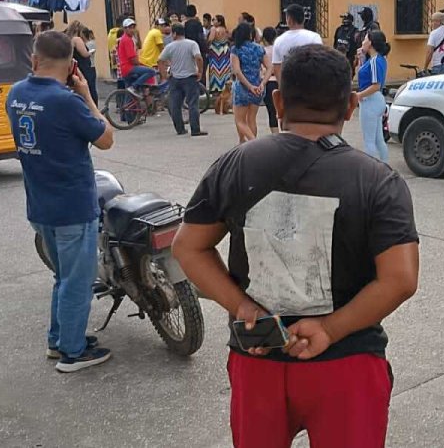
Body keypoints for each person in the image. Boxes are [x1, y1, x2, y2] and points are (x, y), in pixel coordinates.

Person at [172, 44, 419, 448]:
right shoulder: (378, 181)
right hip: (347, 362)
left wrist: (242, 306)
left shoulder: (234, 164)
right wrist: (329, 328)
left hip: (259, 356)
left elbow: (189, 248)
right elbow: (401, 279)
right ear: (352, 106)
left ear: (279, 101)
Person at [6, 31, 116, 373]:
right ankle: (72, 351)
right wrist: (86, 95)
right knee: (77, 282)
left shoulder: (16, 94)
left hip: (40, 205)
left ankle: (58, 340)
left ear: (34, 60)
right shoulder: (66, 101)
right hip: (72, 206)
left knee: (63, 277)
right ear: (72, 65)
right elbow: (106, 139)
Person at [157, 24, 207, 137]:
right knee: (192, 104)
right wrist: (200, 71)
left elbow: (160, 60)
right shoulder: (192, 44)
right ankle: (195, 129)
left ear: (174, 34)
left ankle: (180, 129)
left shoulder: (170, 46)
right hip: (190, 77)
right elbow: (198, 57)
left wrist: (164, 75)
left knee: (175, 105)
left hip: (175, 79)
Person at [230, 22, 269, 143]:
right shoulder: (259, 48)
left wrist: (249, 86)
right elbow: (270, 67)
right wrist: (262, 83)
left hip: (243, 88)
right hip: (258, 87)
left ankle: (253, 142)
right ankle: (243, 143)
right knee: (251, 119)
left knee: (240, 120)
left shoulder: (236, 49)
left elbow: (237, 71)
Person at [355, 30, 390, 163]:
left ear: (370, 43)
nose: (363, 42)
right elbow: (364, 76)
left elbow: (375, 85)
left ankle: (372, 170)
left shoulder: (375, 61)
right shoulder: (379, 59)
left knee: (369, 140)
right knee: (378, 139)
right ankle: (384, 166)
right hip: (376, 99)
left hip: (371, 100)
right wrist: (361, 58)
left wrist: (359, 95)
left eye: (365, 39)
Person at [271, 3, 323, 83]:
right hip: (310, 84)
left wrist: (281, 87)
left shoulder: (279, 40)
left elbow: (277, 67)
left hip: (289, 86)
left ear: (289, 19)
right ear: (303, 19)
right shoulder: (314, 37)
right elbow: (320, 63)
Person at [116, 18, 156, 91]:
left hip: (125, 69)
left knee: (131, 98)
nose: (132, 30)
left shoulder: (128, 38)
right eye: (129, 28)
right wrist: (141, 64)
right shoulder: (127, 40)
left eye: (133, 27)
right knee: (151, 71)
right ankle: (134, 86)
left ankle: (132, 92)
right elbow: (132, 59)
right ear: (125, 29)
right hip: (129, 68)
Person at [65, 21, 98, 104]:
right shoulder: (77, 39)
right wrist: (91, 52)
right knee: (90, 89)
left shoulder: (68, 39)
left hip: (76, 67)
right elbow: (84, 54)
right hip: (84, 68)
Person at [207, 15, 232, 115]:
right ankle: (225, 91)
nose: (213, 21)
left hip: (216, 53)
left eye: (214, 20)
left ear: (219, 21)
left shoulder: (214, 29)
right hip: (225, 52)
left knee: (215, 74)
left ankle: (218, 99)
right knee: (225, 73)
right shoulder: (225, 30)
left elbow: (210, 39)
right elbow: (229, 39)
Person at [260, 27, 280, 134]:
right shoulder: (279, 50)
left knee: (272, 111)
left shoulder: (262, 51)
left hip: (268, 81)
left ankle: (276, 135)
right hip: (280, 81)